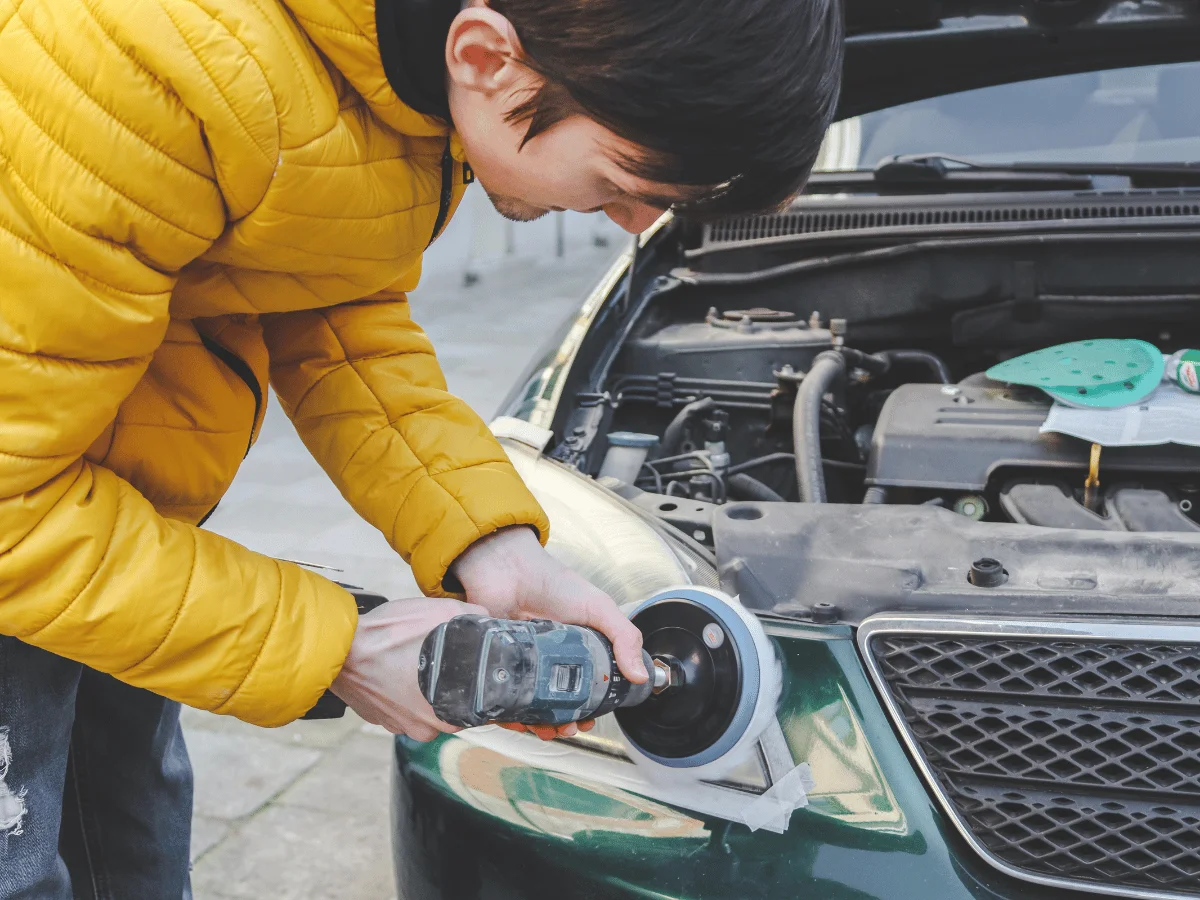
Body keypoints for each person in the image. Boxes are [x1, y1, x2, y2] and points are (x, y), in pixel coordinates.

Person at [0, 0, 842, 895]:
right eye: (624, 179)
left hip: (109, 531)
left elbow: (333, 296)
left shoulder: (407, 86)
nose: (635, 224)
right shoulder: (129, 72)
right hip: (36, 535)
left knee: (127, 840)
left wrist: (491, 542)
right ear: (486, 57)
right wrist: (337, 645)